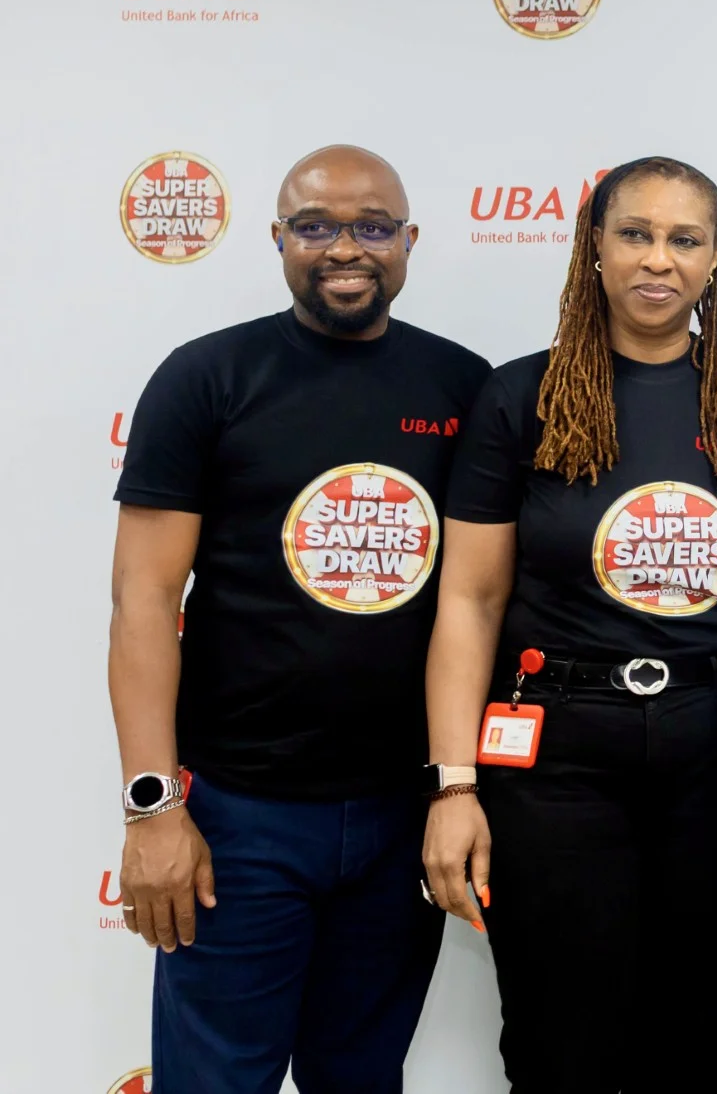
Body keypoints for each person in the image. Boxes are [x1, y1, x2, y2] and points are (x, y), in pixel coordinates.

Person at [108, 145, 492, 1094]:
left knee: (360, 1077)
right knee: (214, 1081)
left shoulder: (463, 387)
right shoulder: (208, 378)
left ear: (409, 242)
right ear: (278, 238)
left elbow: (480, 597)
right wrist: (153, 809)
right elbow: (144, 601)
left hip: (405, 813)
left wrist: (455, 790)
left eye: (371, 226)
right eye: (315, 226)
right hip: (240, 816)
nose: (344, 249)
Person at [420, 156, 717, 1092]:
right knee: (558, 1047)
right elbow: (469, 602)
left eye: (684, 239)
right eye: (634, 234)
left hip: (715, 760)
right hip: (555, 765)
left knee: (693, 1042)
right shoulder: (521, 398)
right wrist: (453, 786)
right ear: (595, 249)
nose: (656, 261)